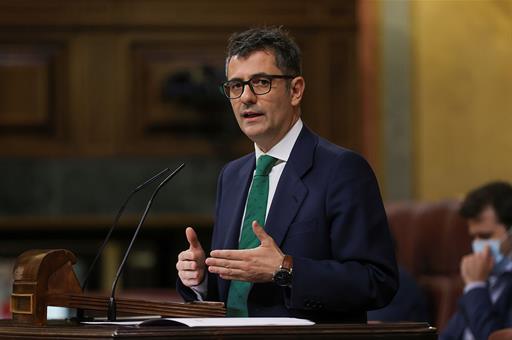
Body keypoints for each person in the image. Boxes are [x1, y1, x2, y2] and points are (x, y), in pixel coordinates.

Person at [175, 26, 398, 323]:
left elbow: (377, 282)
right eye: (236, 86)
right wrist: (202, 278)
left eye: (261, 82)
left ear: (295, 90)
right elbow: (235, 293)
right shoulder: (232, 175)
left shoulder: (342, 170)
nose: (246, 98)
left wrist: (285, 269)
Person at [441, 181, 512, 340]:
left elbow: (495, 337)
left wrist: (475, 286)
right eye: (474, 237)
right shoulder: (486, 275)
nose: (478, 244)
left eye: (486, 236)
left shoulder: (478, 281)